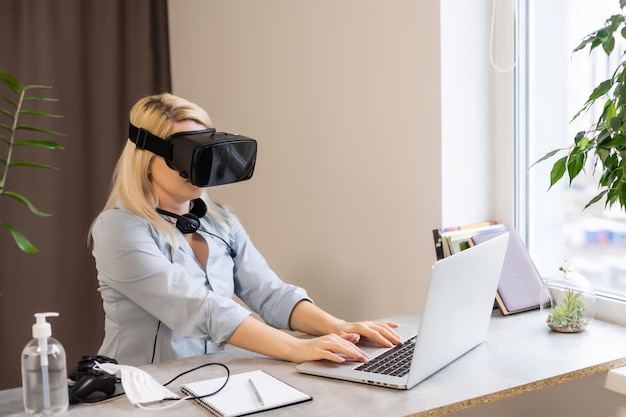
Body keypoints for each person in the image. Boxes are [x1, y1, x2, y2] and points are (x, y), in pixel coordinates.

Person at [89, 93, 401, 367]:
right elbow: (199, 308)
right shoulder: (118, 230)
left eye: (203, 151)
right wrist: (294, 347)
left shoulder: (220, 221)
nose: (198, 166)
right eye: (185, 153)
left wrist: (338, 327)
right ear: (146, 160)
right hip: (140, 392)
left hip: (211, 382)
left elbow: (269, 293)